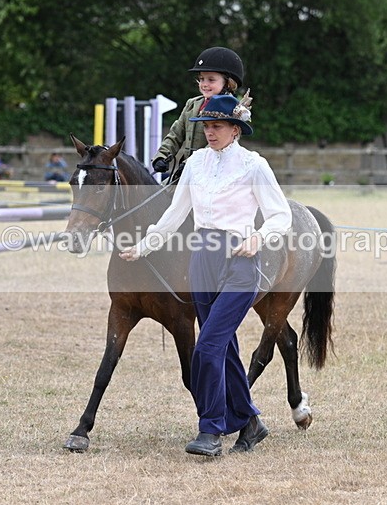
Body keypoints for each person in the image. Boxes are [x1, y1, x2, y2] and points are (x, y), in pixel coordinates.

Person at [120, 94, 292, 456]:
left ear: (235, 129)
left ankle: (211, 429)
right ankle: (251, 423)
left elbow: (281, 216)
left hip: (240, 263)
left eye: (216, 126)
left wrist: (258, 237)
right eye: (206, 126)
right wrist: (144, 245)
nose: (209, 132)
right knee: (225, 348)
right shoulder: (196, 163)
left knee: (208, 347)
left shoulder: (254, 166)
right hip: (202, 261)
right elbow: (175, 214)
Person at [151, 46, 245, 184]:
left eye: (211, 80)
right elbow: (176, 134)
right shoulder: (192, 104)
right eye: (201, 79)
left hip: (214, 174)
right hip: (185, 173)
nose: (204, 84)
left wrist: (191, 164)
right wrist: (161, 156)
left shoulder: (232, 108)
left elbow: (217, 146)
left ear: (228, 83)